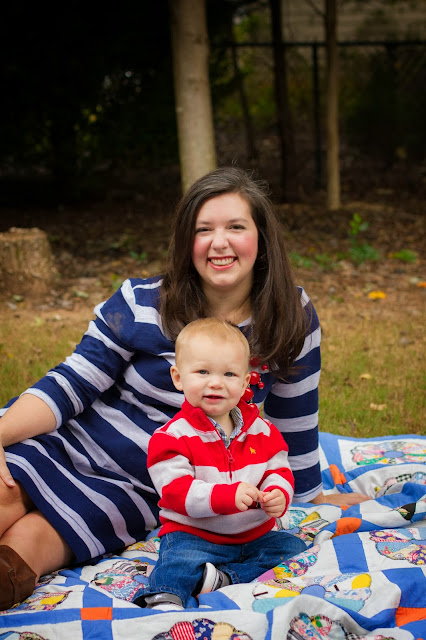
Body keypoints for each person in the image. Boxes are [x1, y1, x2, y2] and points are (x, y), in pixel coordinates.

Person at [0, 166, 369, 611]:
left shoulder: (290, 315)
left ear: (262, 238)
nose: (219, 242)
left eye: (236, 227)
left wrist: (310, 495)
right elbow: (71, 383)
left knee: (27, 547)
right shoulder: (141, 301)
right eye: (203, 229)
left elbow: (296, 414)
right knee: (6, 492)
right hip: (68, 443)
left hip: (143, 487)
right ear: (185, 240)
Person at [136, 317, 307, 611]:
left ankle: (225, 579)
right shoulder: (172, 437)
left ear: (244, 383)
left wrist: (278, 493)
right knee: (178, 561)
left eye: (229, 374)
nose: (215, 382)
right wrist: (225, 496)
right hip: (195, 535)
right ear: (178, 377)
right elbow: (176, 492)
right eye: (202, 371)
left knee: (292, 549)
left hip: (253, 535)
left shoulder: (263, 431)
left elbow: (278, 469)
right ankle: (165, 598)